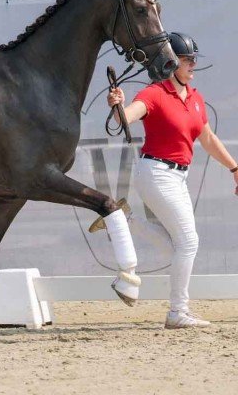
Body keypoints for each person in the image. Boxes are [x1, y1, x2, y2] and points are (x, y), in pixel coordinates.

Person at [90, 32, 238, 328]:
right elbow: (124, 119)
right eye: (188, 59)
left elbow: (207, 139)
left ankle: (123, 219)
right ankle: (177, 312)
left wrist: (234, 169)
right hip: (156, 173)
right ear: (171, 63)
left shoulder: (195, 98)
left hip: (177, 177)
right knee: (189, 241)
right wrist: (116, 105)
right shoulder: (154, 94)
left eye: (194, 59)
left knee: (178, 247)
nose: (194, 64)